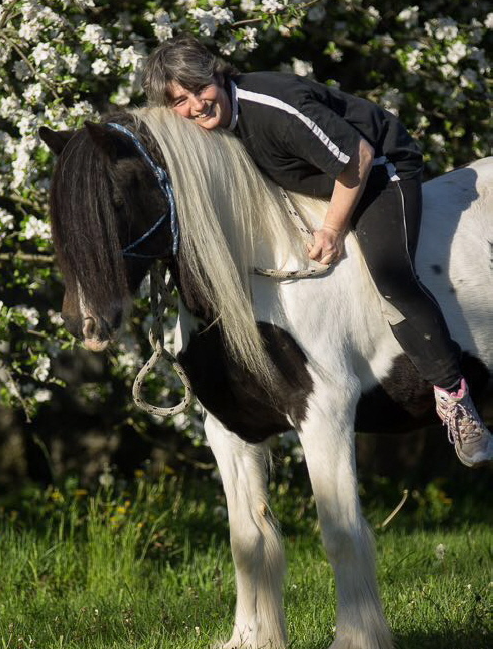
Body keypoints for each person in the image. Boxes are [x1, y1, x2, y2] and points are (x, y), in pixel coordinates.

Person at [142, 34, 493, 468]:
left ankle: (457, 401)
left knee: (391, 278)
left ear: (218, 74)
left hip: (380, 171)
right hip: (320, 179)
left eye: (200, 89)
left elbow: (357, 159)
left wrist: (331, 228)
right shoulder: (205, 129)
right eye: (180, 101)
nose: (195, 105)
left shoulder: (274, 109)